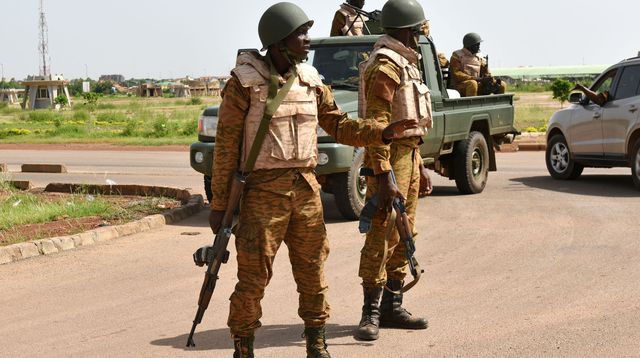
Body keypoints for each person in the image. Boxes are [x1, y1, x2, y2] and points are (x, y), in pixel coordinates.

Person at [209, 3, 418, 357]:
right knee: (253, 279)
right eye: (300, 34)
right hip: (262, 194)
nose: (308, 40)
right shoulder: (243, 84)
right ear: (278, 42)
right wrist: (219, 205)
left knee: (313, 275)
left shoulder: (311, 81)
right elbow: (226, 148)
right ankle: (243, 347)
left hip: (306, 190)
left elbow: (339, 125)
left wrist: (381, 133)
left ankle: (316, 345)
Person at [355, 0, 434, 342]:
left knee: (405, 231)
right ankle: (370, 312)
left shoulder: (406, 63)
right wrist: (384, 173)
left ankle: (392, 306)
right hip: (387, 158)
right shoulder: (385, 65)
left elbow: (410, 123)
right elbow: (377, 124)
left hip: (409, 156)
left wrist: (419, 164)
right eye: (418, 30)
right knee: (381, 231)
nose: (421, 36)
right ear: (407, 30)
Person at [449, 32, 506, 97]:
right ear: (469, 45)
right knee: (472, 84)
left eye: (479, 44)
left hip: (478, 83)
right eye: (476, 45)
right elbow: (456, 74)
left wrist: (489, 79)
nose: (479, 47)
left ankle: (497, 105)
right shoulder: (457, 55)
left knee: (502, 84)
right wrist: (477, 79)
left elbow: (486, 72)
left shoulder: (480, 57)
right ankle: (471, 106)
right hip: (460, 85)